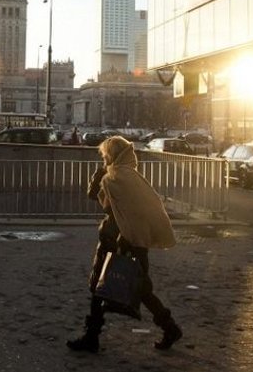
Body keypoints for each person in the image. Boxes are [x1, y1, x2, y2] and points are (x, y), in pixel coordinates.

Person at [67, 135, 182, 354]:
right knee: (136, 290)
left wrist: (100, 174)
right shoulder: (128, 176)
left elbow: (99, 199)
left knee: (105, 289)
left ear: (111, 155)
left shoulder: (116, 178)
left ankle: (92, 338)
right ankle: (169, 327)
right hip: (131, 241)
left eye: (105, 156)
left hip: (120, 243)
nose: (104, 159)